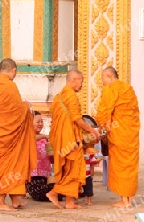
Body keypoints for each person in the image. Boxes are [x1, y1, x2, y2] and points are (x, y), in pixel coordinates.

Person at [0, 58, 37, 211]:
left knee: (12, 165)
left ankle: (15, 198)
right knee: (9, 165)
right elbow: (16, 111)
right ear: (13, 70)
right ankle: (0, 201)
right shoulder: (10, 86)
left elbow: (0, 110)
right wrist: (26, 107)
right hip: (9, 135)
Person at [45, 70, 100, 209]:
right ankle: (54, 193)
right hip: (69, 138)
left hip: (60, 137)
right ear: (74, 80)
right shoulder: (71, 96)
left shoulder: (59, 96)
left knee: (68, 168)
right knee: (75, 166)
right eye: (80, 81)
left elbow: (54, 113)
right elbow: (77, 119)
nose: (81, 84)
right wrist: (91, 130)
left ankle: (69, 201)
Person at [94, 66, 140, 208]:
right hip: (130, 134)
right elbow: (132, 113)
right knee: (129, 166)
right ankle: (128, 199)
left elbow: (103, 112)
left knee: (121, 166)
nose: (103, 82)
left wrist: (102, 128)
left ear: (109, 76)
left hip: (119, 135)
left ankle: (124, 201)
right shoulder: (128, 89)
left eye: (102, 79)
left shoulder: (111, 89)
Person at [25, 111, 53, 202]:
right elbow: (31, 139)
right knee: (42, 196)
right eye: (38, 122)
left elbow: (52, 160)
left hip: (45, 177)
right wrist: (43, 136)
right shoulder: (26, 136)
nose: (40, 124)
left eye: (42, 121)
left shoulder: (45, 140)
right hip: (33, 177)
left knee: (60, 192)